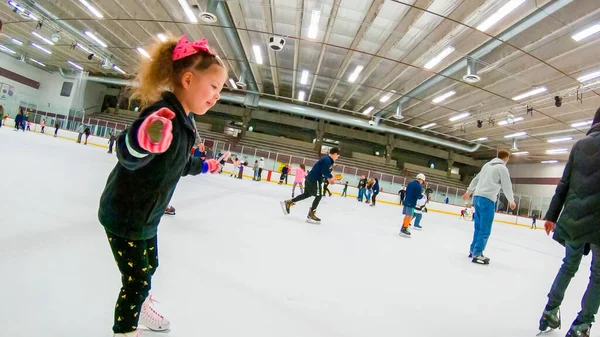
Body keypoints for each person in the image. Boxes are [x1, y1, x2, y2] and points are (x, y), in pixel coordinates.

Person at [97, 35, 227, 337]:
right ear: (188, 79)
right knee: (137, 281)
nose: (217, 95)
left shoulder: (186, 122)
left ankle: (140, 303)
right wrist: (143, 142)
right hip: (125, 215)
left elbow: (178, 163)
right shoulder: (162, 115)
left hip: (148, 217)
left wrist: (205, 165)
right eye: (214, 87)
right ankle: (126, 330)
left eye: (219, 90)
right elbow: (126, 152)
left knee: (150, 265)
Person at [537, 108, 600, 337]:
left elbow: (564, 183)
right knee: (599, 275)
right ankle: (582, 325)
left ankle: (549, 311)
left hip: (574, 219)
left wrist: (551, 216)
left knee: (568, 265)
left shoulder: (580, 145)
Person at [462, 149, 516, 265]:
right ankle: (477, 253)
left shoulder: (487, 165)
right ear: (506, 158)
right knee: (485, 228)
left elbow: (476, 179)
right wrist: (511, 200)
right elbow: (507, 185)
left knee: (478, 226)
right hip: (488, 199)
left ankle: (473, 249)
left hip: (477, 197)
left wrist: (469, 191)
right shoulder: (502, 168)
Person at [280, 147, 340, 223]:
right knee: (319, 196)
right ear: (335, 154)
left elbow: (323, 172)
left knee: (307, 194)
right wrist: (331, 177)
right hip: (315, 179)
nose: (337, 158)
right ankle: (311, 214)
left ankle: (289, 202)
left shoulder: (326, 159)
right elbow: (325, 172)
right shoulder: (327, 160)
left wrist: (330, 178)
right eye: (338, 156)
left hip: (310, 178)